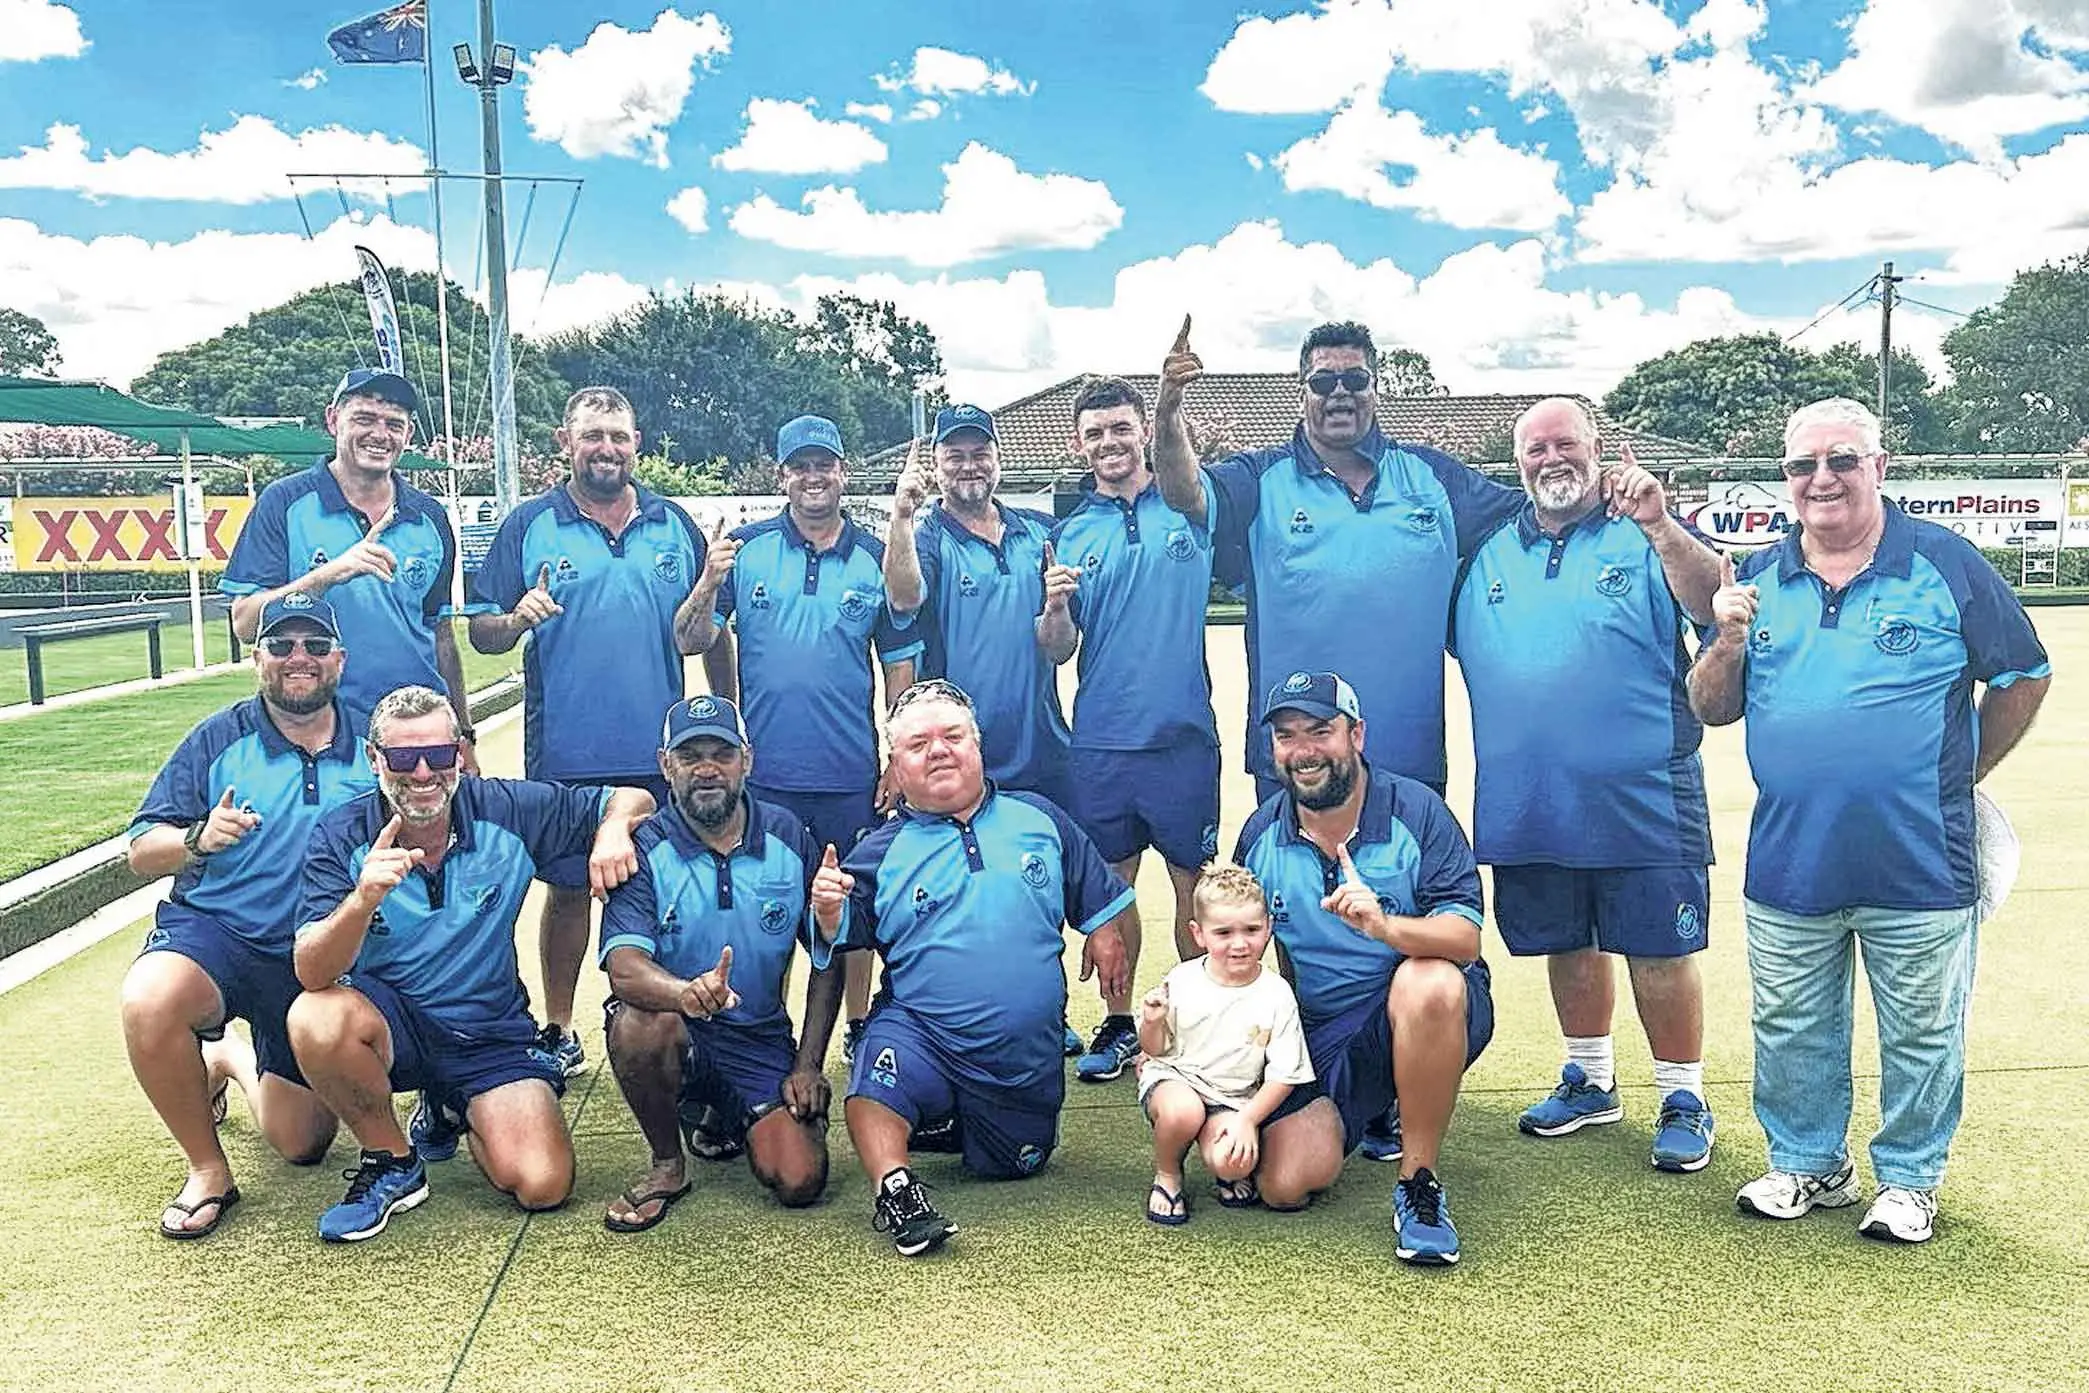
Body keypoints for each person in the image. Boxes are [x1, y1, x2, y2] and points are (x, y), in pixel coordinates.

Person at [1152, 317, 1518, 1159]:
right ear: (1302, 390)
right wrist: (1168, 408)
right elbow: (1181, 491)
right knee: (1284, 930)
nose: (1339, 394)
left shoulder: (1432, 479)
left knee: (1405, 934)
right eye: (1323, 381)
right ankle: (1278, 1074)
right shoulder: (1259, 480)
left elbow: (1534, 508)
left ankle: (1394, 1096)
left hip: (1407, 767)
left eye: (1354, 379)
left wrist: (1613, 490)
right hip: (1297, 763)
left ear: (1375, 387)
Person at [1689, 397, 2049, 1245]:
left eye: (1841, 460)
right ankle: (1809, 1163)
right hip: (1790, 856)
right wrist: (1726, 642)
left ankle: (1909, 1180)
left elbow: (2023, 673)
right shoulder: (1756, 575)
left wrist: (1963, 773)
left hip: (1920, 857)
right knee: (1789, 1025)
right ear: (1785, 478)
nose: (1821, 479)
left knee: (1922, 1031)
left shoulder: (1944, 563)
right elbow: (1708, 706)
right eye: (1802, 464)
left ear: (1878, 467)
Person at [1451, 397, 1722, 1171]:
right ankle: (1590, 1078)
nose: (1550, 459)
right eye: (1534, 449)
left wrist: (1661, 525)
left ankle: (1682, 1095)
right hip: (1530, 800)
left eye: (1564, 443)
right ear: (1517, 463)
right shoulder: (1487, 552)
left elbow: (1713, 601)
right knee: (1566, 942)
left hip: (1643, 794)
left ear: (1596, 447)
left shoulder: (1645, 531)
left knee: (1657, 949)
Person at [287, 685, 655, 1243]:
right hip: (394, 1027)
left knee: (543, 1184)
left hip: (489, 1033)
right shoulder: (341, 834)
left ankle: (451, 1107)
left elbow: (633, 798)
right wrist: (361, 901)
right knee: (315, 1017)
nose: (422, 773)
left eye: (438, 754)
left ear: (460, 753)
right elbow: (311, 972)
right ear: (373, 759)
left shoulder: (506, 808)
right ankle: (391, 1160)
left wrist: (611, 830)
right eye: (403, 757)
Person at [810, 679, 1133, 1256]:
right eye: (918, 744)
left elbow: (1094, 890)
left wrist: (1104, 930)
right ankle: (896, 1189)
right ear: (896, 766)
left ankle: (955, 1120)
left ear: (977, 746)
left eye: (952, 736)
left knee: (1016, 1164)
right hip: (924, 1032)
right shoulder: (877, 852)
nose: (938, 750)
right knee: (876, 1079)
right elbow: (841, 935)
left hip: (1019, 1054)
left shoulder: (1039, 817)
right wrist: (830, 913)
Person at [467, 385, 708, 1078]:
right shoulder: (529, 524)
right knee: (568, 888)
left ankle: (672, 1016)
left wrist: (725, 705)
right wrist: (516, 618)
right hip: (567, 748)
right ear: (565, 443)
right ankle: (559, 1026)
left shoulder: (673, 523)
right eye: (593, 435)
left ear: (637, 444)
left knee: (668, 888)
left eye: (618, 436)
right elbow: (482, 632)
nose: (607, 448)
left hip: (660, 752)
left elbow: (703, 629)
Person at [121, 593, 373, 1238]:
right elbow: (141, 850)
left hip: (316, 955)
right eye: (281, 645)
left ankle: (228, 1057)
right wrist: (197, 837)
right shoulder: (218, 737)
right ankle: (208, 1170)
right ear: (257, 658)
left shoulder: (373, 741)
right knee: (151, 998)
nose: (299, 658)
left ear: (339, 659)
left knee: (302, 1144)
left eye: (315, 645)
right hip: (220, 933)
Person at [675, 414, 921, 1070]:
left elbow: (898, 663)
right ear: (781, 475)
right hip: (766, 777)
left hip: (848, 772)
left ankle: (859, 1025)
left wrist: (895, 757)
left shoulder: (875, 555)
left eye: (824, 465)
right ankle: (763, 1032)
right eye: (800, 466)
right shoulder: (744, 548)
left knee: (850, 907)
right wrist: (708, 581)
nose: (813, 477)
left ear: (843, 471)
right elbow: (690, 639)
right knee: (771, 908)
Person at [1234, 672, 1493, 1267]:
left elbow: (1465, 940)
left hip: (1430, 1005)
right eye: (1286, 736)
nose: (1303, 751)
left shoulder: (1417, 812)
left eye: (1319, 731)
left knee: (1427, 982)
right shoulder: (1260, 834)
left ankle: (1418, 1183)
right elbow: (1249, 955)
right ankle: (1380, 1101)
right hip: (1328, 1026)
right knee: (1283, 1182)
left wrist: (1385, 928)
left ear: (1356, 735)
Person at [597, 695, 845, 1232]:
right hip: (679, 1028)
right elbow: (624, 967)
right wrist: (685, 994)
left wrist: (808, 1065)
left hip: (758, 1037)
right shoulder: (644, 847)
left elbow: (828, 955)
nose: (707, 769)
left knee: (800, 1180)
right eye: (690, 756)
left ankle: (724, 1113)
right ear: (666, 765)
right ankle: (667, 1163)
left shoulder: (786, 835)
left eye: (722, 754)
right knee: (641, 1024)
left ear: (746, 761)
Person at [1042, 377, 1223, 1085]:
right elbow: (1057, 649)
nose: (1109, 442)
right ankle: (1120, 1023)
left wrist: (1174, 402)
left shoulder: (1187, 501)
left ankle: (1195, 1022)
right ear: (1077, 443)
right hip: (1102, 741)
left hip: (1182, 737)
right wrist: (1056, 610)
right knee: (1112, 889)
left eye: (1121, 427)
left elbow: (1188, 478)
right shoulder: (1070, 532)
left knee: (1193, 889)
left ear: (1144, 430)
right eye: (1095, 432)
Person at [221, 367, 473, 756]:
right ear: (333, 419)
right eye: (364, 419)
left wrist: (464, 734)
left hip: (413, 735)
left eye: (394, 424)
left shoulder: (429, 517)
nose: (380, 434)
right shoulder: (283, 503)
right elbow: (245, 623)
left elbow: (440, 634)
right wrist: (328, 575)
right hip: (317, 733)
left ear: (408, 434)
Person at [1136, 862, 1313, 1227]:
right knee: (1183, 1112)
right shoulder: (1183, 979)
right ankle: (1168, 1174)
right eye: (1223, 932)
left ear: (1268, 927)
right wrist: (1152, 1022)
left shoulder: (1277, 993)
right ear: (1198, 934)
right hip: (1176, 1080)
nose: (1239, 943)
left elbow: (1284, 1074)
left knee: (1236, 1162)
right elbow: (1153, 1049)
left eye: (1252, 929)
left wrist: (1247, 1120)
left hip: (1232, 1097)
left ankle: (1218, 1159)